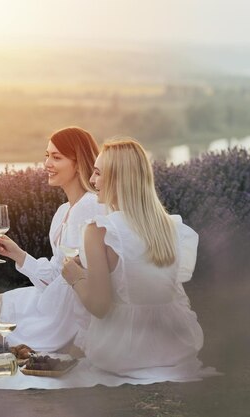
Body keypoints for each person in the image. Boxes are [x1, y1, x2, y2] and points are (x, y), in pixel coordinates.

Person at [62, 138, 206, 381]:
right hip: (177, 347)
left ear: (118, 179)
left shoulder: (99, 230)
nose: (92, 181)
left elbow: (100, 307)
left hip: (123, 354)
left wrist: (75, 277)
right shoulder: (173, 227)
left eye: (98, 173)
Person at [0, 126, 105, 353]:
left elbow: (89, 277)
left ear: (78, 163)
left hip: (70, 309)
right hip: (54, 294)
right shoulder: (63, 210)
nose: (47, 164)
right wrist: (18, 254)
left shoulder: (90, 206)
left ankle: (61, 345)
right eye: (47, 156)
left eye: (56, 157)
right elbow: (57, 272)